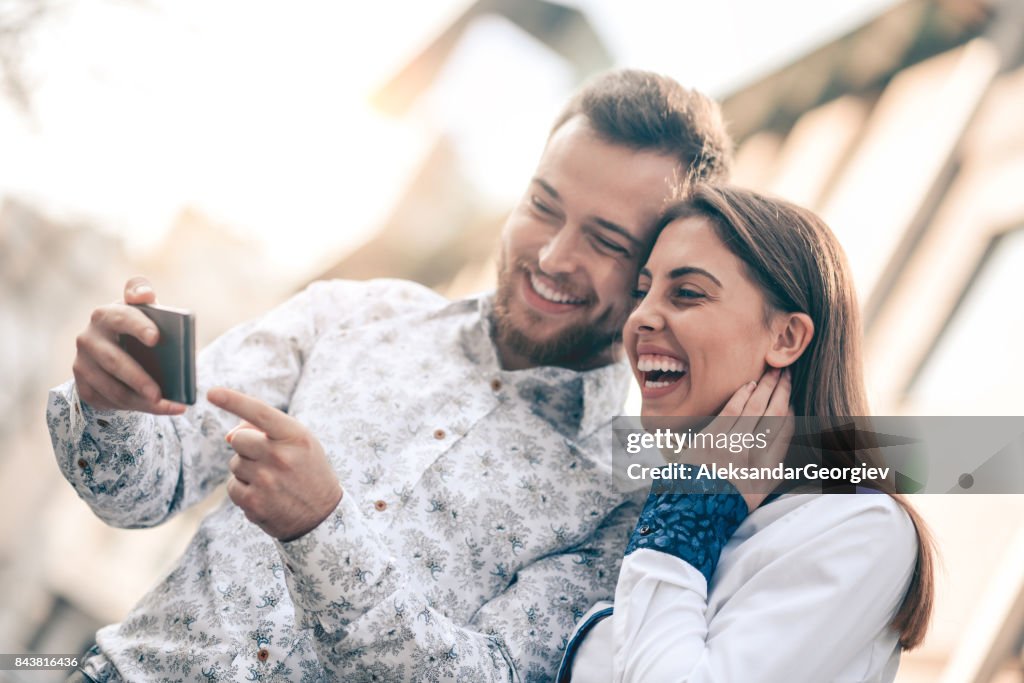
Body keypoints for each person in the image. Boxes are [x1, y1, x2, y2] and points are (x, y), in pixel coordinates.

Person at [45, 70, 733, 682]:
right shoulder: (353, 312)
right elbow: (141, 491)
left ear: (655, 271)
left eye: (606, 240)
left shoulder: (623, 490)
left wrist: (320, 531)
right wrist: (112, 404)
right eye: (543, 206)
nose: (553, 254)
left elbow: (487, 674)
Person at [557, 185, 935, 682]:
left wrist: (690, 511)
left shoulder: (862, 524)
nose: (642, 316)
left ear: (786, 338)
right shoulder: (644, 495)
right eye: (641, 291)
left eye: (686, 293)